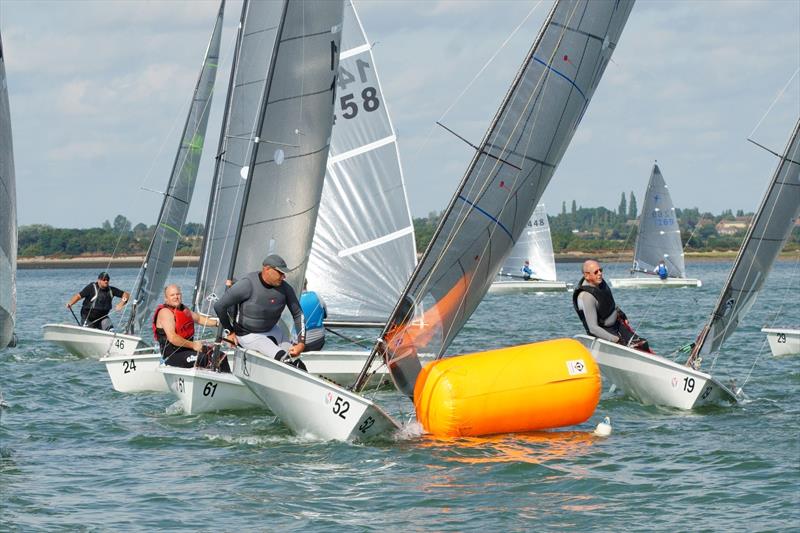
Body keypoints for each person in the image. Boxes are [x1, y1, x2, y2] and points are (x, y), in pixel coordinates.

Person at [214, 254, 305, 361]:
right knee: (283, 358)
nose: (283, 277)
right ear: (267, 269)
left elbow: (298, 314)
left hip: (273, 330)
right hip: (248, 334)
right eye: (280, 273)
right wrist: (230, 332)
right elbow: (219, 306)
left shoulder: (285, 289)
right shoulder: (247, 284)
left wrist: (301, 343)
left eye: (284, 273)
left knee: (296, 360)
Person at [573, 259, 650, 352]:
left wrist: (620, 312)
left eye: (600, 270)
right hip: (605, 332)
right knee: (632, 349)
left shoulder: (600, 284)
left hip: (617, 325)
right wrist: (616, 340)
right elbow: (593, 328)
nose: (600, 273)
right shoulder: (587, 296)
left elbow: (607, 303)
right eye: (596, 272)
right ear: (587, 275)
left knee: (643, 344)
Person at [153, 284, 224, 369]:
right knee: (204, 358)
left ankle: (227, 379)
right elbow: (172, 338)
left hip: (188, 351)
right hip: (173, 356)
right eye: (172, 295)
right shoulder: (165, 312)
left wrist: (218, 323)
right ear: (166, 298)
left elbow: (199, 319)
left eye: (178, 294)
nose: (176, 297)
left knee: (220, 355)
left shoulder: (184, 309)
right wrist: (193, 345)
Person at [300, 279, 327, 352]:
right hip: (319, 340)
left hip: (300, 344)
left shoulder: (293, 298)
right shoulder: (316, 295)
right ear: (306, 284)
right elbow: (325, 315)